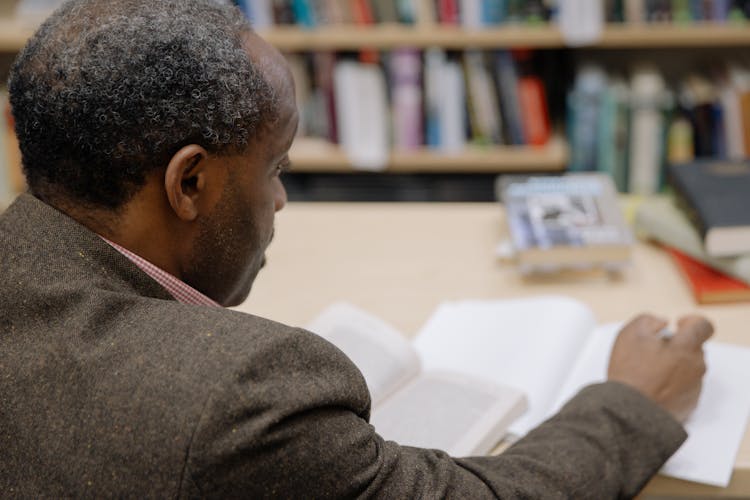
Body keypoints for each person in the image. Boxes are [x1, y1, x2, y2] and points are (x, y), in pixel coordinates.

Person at [0, 0, 713, 498]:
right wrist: (631, 400)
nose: (279, 200)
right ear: (189, 182)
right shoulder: (242, 395)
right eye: (275, 168)